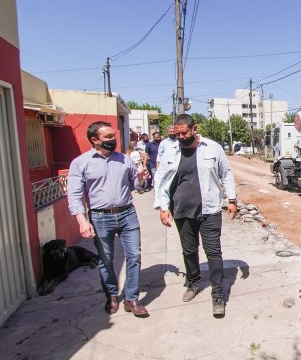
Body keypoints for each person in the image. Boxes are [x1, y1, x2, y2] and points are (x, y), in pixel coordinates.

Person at [154, 114, 237, 317]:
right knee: (189, 251)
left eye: (184, 132)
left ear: (194, 128)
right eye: (177, 133)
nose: (181, 137)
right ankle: (193, 283)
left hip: (209, 210)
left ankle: (218, 295)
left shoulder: (212, 147)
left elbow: (226, 173)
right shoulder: (171, 151)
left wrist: (232, 200)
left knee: (213, 253)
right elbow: (161, 179)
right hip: (182, 211)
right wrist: (163, 207)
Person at [67, 121, 149, 317]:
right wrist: (82, 221)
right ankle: (111, 295)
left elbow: (138, 187)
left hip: (127, 213)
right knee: (106, 259)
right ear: (95, 140)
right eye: (109, 137)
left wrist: (140, 178)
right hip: (100, 217)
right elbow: (74, 195)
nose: (114, 140)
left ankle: (131, 298)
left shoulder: (125, 160)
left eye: (114, 136)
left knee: (134, 256)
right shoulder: (81, 163)